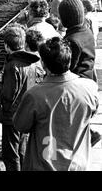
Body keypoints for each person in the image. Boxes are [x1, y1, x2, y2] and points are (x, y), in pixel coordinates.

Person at [13, 37, 99, 170]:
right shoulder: (90, 88)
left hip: (43, 165)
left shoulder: (34, 95)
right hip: (77, 165)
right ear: (69, 61)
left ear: (43, 64)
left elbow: (20, 125)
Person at [0, 25, 44, 171]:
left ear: (6, 46)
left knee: (11, 155)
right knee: (22, 152)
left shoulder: (12, 65)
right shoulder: (34, 62)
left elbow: (8, 96)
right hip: (27, 113)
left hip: (12, 118)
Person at [58, 0, 102, 146]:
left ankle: (89, 136)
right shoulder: (86, 32)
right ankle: (89, 134)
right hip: (88, 79)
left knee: (74, 120)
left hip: (77, 88)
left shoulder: (73, 41)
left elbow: (67, 68)